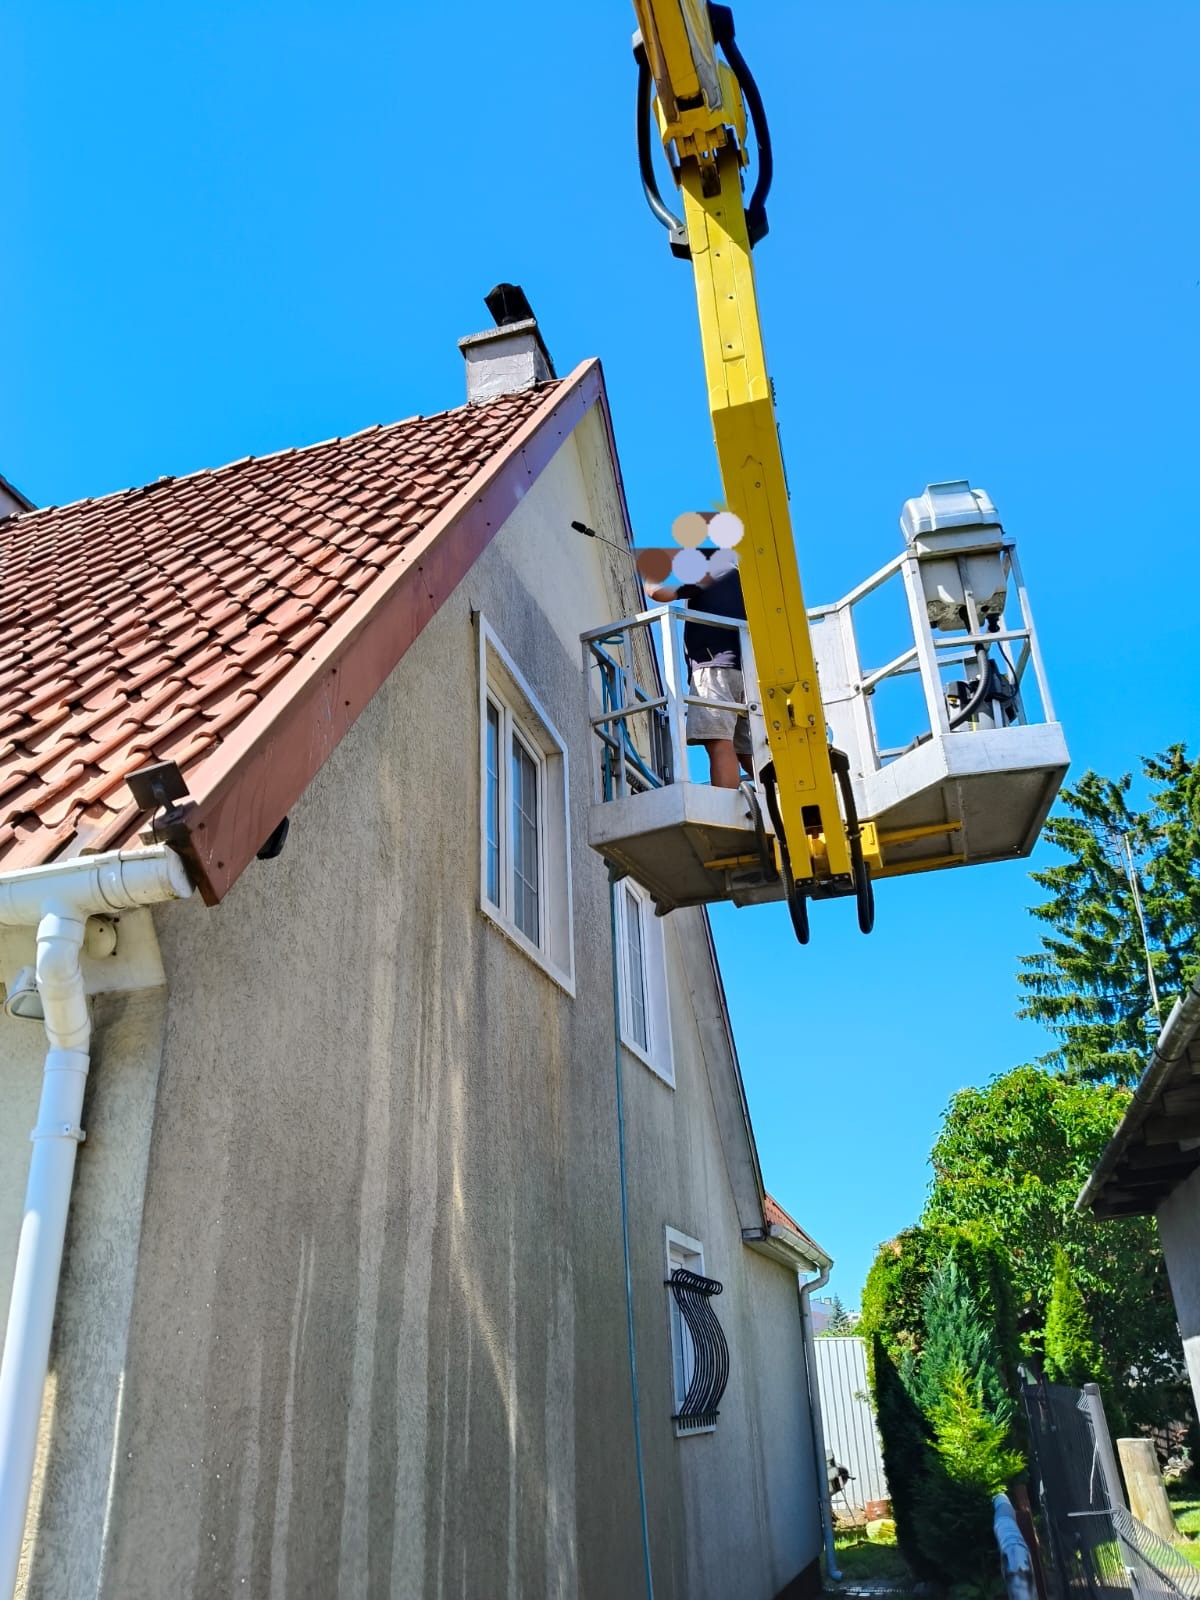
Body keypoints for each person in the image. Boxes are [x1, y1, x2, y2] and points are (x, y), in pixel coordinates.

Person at [649, 566, 754, 789]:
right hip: (748, 672)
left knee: (718, 742)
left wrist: (649, 580)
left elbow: (660, 593)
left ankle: (725, 812)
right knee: (749, 754)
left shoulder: (713, 573)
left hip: (715, 667)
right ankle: (781, 796)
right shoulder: (746, 581)